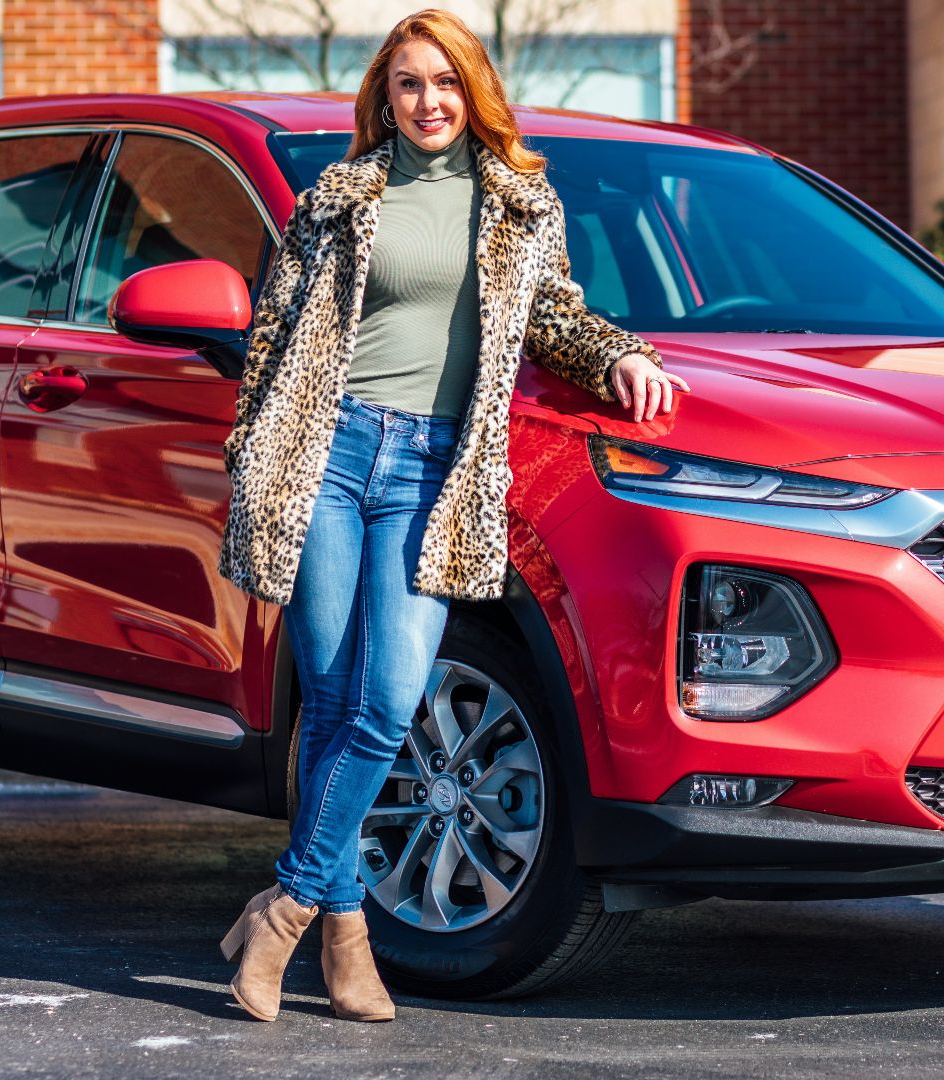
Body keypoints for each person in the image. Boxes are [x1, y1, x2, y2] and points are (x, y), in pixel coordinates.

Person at [212, 7, 689, 1023]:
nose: (428, 101)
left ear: (473, 93)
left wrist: (620, 355)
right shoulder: (338, 199)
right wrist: (251, 456)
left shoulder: (520, 203)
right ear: (384, 98)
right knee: (330, 702)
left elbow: (552, 313)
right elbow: (273, 337)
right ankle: (348, 939)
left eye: (444, 82)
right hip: (328, 454)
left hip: (434, 469)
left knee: (389, 701)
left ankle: (283, 908)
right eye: (408, 84)